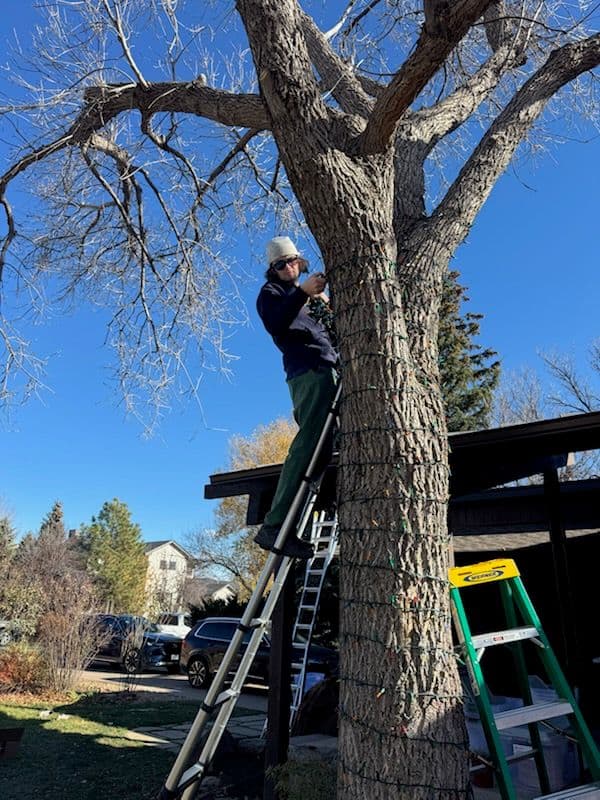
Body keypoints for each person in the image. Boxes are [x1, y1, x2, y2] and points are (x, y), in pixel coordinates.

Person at [254, 236, 338, 559]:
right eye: (281, 264)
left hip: (328, 367)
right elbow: (276, 323)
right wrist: (304, 293)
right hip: (308, 373)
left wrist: (323, 304)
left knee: (320, 451)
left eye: (293, 261)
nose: (289, 268)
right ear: (273, 269)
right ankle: (275, 525)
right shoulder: (272, 294)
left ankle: (291, 525)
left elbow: (328, 332)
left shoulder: (312, 298)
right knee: (309, 444)